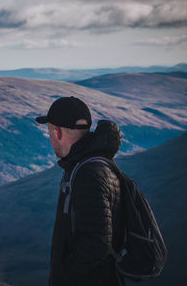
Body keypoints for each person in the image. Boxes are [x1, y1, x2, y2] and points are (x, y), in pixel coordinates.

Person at [35, 96, 126, 286]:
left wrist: (63, 279)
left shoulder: (87, 173)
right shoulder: (97, 165)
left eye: (50, 130)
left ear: (57, 131)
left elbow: (97, 244)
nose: (50, 137)